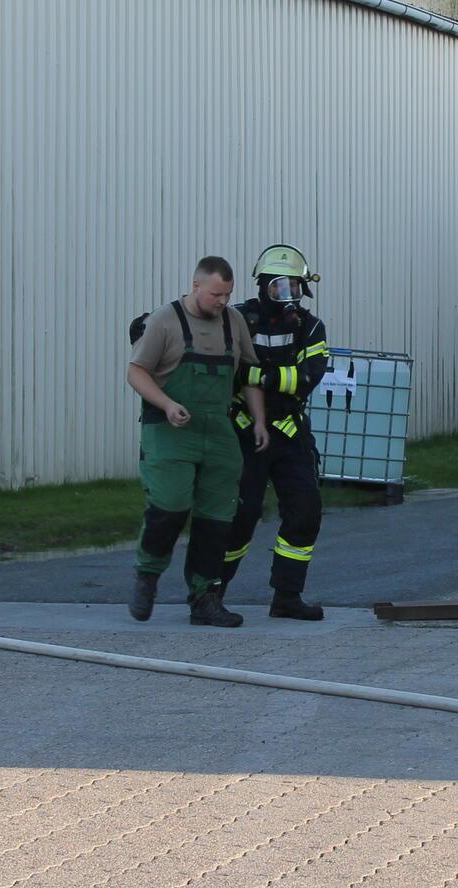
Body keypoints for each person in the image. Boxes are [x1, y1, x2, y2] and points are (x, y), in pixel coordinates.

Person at [126, 256, 269, 627]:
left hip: (217, 431)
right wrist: (167, 403)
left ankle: (205, 597)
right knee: (170, 505)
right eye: (215, 294)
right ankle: (147, 576)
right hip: (169, 430)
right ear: (195, 286)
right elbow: (136, 372)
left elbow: (250, 374)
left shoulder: (234, 322)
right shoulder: (164, 321)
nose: (222, 302)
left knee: (217, 516)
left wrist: (260, 421)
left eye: (227, 295)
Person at [222, 245, 331, 621]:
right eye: (280, 289)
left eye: (295, 289)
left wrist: (261, 376)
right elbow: (226, 366)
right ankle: (210, 594)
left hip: (289, 429)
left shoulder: (311, 326)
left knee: (305, 511)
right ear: (263, 286)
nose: (289, 298)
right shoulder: (237, 319)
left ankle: (287, 596)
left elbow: (308, 377)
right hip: (243, 432)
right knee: (239, 515)